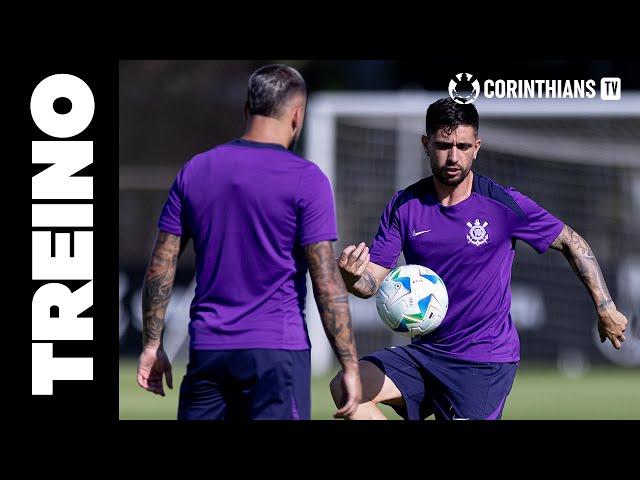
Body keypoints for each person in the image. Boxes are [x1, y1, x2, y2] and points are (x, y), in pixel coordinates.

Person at [330, 97, 628, 420]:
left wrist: (606, 307)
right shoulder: (404, 205)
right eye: (444, 145)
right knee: (347, 388)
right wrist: (351, 277)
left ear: (477, 147)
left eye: (463, 145)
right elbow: (371, 280)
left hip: (483, 362)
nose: (453, 156)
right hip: (426, 354)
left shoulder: (503, 204)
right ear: (425, 144)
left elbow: (572, 242)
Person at [136, 64, 361, 420]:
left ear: (246, 110)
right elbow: (326, 281)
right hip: (276, 355)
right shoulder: (307, 179)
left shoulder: (196, 170)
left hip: (208, 351)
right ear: (297, 114)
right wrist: (349, 363)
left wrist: (151, 344)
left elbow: (161, 265)